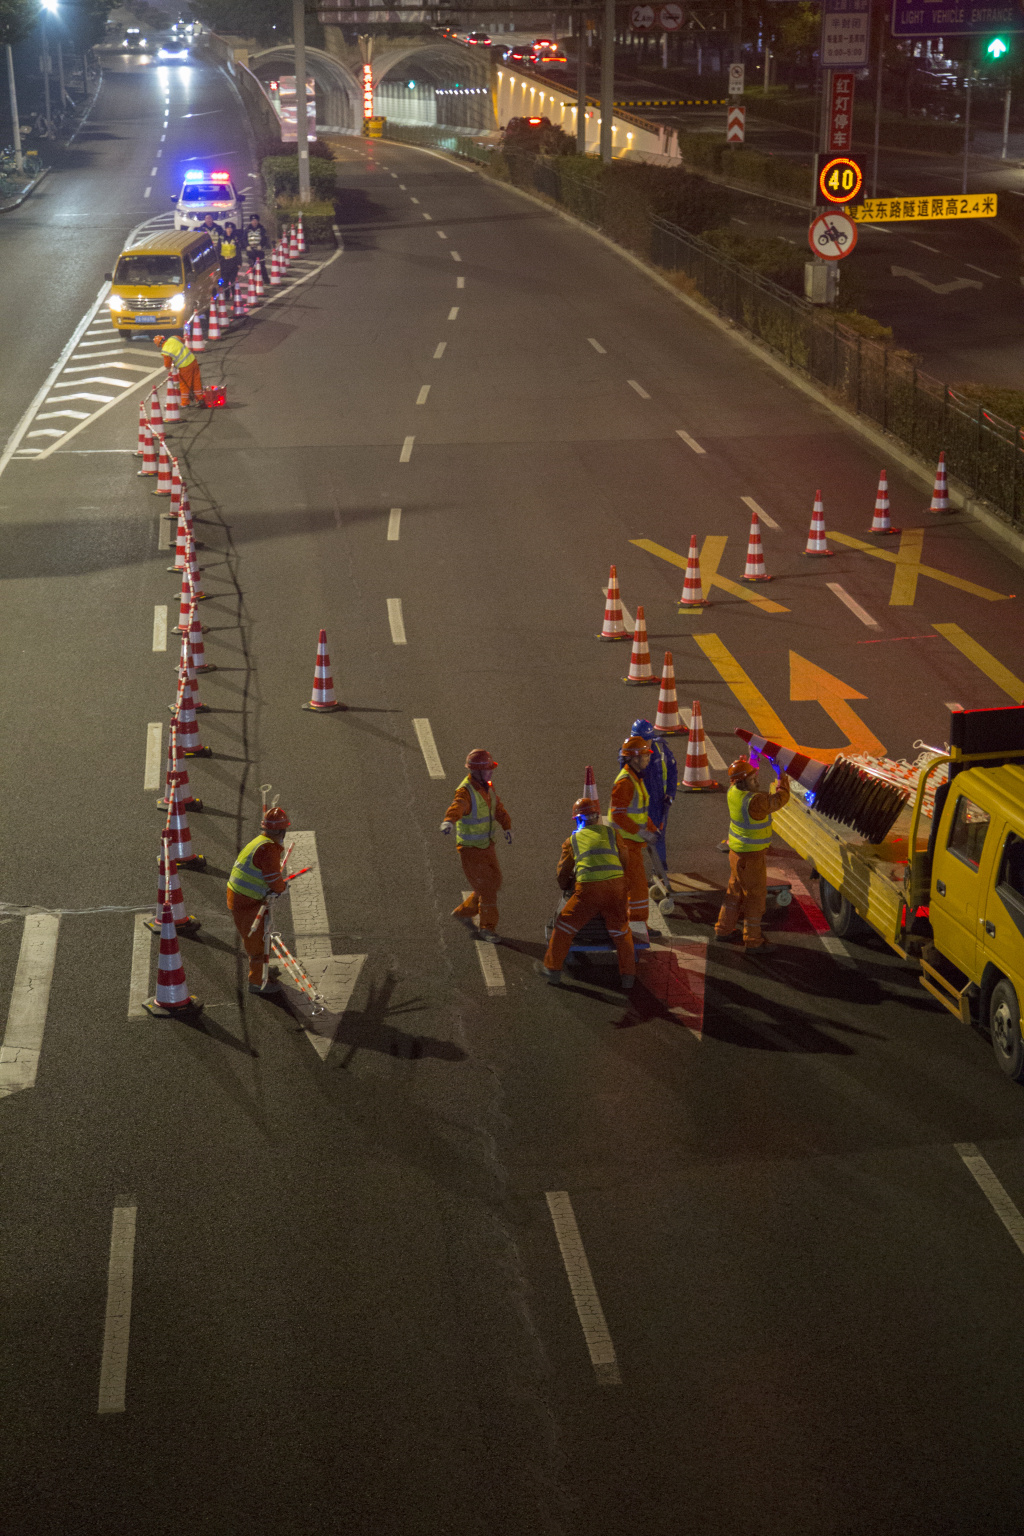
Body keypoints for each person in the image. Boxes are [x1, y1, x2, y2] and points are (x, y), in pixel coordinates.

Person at [537, 798, 635, 989]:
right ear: (597, 816)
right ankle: (628, 977)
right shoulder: (612, 833)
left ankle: (552, 970)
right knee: (621, 931)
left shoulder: (572, 840)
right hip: (616, 888)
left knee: (564, 926)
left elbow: (563, 872)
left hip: (589, 891)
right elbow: (624, 858)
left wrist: (566, 885)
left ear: (579, 819)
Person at [715, 757, 790, 952]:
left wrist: (750, 760)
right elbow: (779, 799)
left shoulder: (733, 791)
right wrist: (781, 776)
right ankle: (753, 940)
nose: (757, 781)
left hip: (737, 854)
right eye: (752, 779)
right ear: (743, 782)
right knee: (755, 898)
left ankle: (723, 929)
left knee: (734, 893)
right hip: (751, 858)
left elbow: (744, 778)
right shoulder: (755, 802)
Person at [440, 749, 512, 943]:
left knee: (494, 881)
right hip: (471, 849)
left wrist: (507, 826)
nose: (491, 772)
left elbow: (497, 807)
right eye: (488, 769)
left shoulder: (487, 787)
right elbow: (458, 806)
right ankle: (487, 928)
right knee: (488, 889)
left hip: (486, 845)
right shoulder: (466, 791)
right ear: (477, 771)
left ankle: (464, 912)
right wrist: (449, 821)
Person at [227, 805, 291, 993]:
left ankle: (262, 970)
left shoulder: (260, 842)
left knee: (261, 936)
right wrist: (281, 888)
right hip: (246, 902)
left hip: (243, 898)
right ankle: (257, 982)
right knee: (258, 943)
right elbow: (273, 878)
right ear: (282, 831)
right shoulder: (269, 849)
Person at [609, 734, 660, 933]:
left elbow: (638, 811)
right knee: (638, 888)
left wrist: (650, 827)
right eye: (645, 755)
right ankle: (638, 927)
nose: (648, 758)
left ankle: (631, 924)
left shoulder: (634, 778)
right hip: (626, 843)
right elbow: (618, 815)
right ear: (634, 758)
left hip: (631, 842)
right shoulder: (626, 782)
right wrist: (641, 832)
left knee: (630, 886)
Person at [621, 717, 677, 867]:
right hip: (638, 805)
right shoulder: (627, 754)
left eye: (647, 741)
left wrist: (670, 794)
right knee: (632, 839)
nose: (645, 744)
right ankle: (630, 868)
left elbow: (672, 771)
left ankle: (660, 869)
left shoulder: (661, 750)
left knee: (658, 836)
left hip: (659, 802)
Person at [152, 332, 205, 407]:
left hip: (185, 366)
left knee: (184, 385)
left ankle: (185, 403)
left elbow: (167, 366)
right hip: (193, 360)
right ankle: (200, 399)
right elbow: (183, 340)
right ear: (163, 338)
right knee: (196, 381)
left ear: (158, 345)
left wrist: (173, 363)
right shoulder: (173, 338)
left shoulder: (165, 351)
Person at [244, 213, 269, 281]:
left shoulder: (261, 229)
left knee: (262, 265)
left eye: (256, 221)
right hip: (251, 250)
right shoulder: (247, 229)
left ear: (258, 221)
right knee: (252, 265)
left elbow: (264, 238)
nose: (254, 222)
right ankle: (253, 280)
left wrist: (261, 245)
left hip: (259, 250)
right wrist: (247, 246)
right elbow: (244, 239)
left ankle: (266, 280)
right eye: (253, 221)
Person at [219, 221, 240, 294]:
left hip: (233, 262)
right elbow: (218, 250)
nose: (229, 230)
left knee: (233, 280)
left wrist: (239, 262)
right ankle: (227, 295)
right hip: (224, 262)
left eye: (230, 228)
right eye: (228, 228)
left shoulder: (235, 238)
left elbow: (238, 251)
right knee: (225, 280)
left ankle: (234, 294)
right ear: (225, 229)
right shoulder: (221, 238)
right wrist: (219, 261)